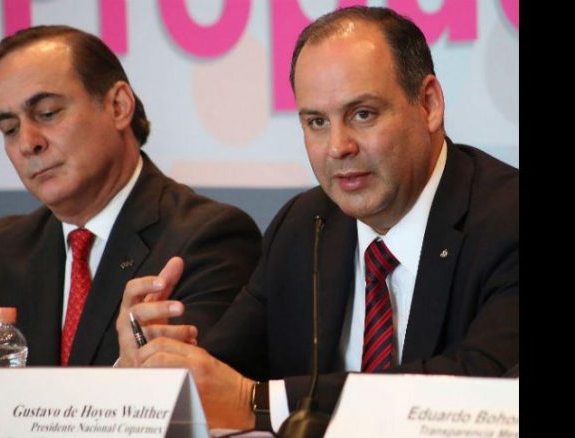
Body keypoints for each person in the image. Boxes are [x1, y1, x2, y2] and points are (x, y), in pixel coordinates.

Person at [115, 6, 519, 431]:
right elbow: (221, 371)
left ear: (429, 104)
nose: (338, 146)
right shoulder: (305, 225)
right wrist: (156, 363)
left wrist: (257, 402)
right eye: (317, 122)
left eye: (362, 114)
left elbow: (480, 384)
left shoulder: (506, 219)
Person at [0, 25, 262, 367]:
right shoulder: (0, 252)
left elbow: (198, 385)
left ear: (118, 106)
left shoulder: (208, 239)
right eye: (10, 129)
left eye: (48, 113)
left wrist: (128, 368)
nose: (27, 143)